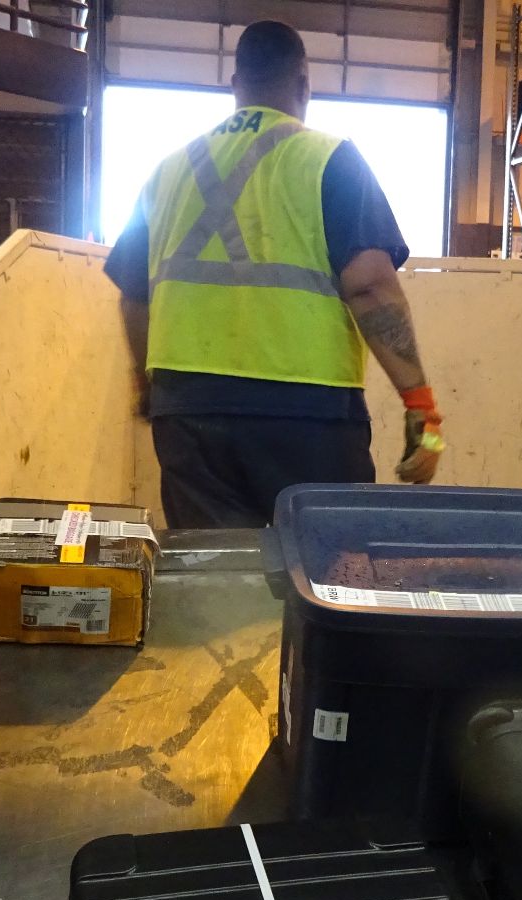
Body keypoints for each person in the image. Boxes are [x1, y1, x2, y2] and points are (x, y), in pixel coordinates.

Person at [102, 20, 444, 529]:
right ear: (304, 84)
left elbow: (133, 298)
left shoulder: (168, 170)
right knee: (330, 572)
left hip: (189, 411)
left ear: (235, 86)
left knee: (217, 577)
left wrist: (147, 386)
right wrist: (420, 404)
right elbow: (371, 287)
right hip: (306, 412)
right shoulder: (330, 160)